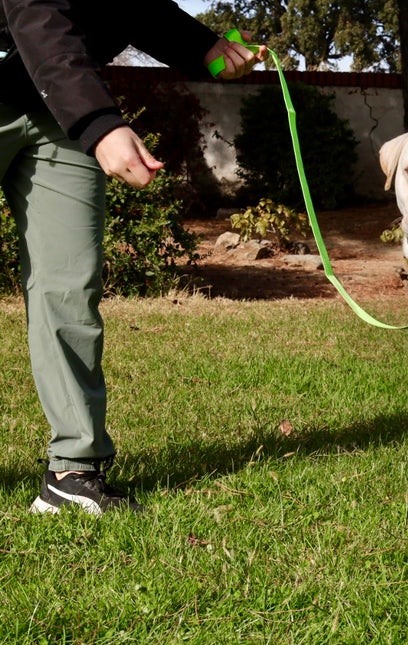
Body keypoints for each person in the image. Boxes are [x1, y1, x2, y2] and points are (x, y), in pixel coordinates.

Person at [0, 0, 266, 514]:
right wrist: (100, 122)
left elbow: (134, 6)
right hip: (61, 96)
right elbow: (37, 14)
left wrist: (205, 47)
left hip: (56, 112)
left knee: (69, 287)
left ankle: (72, 471)